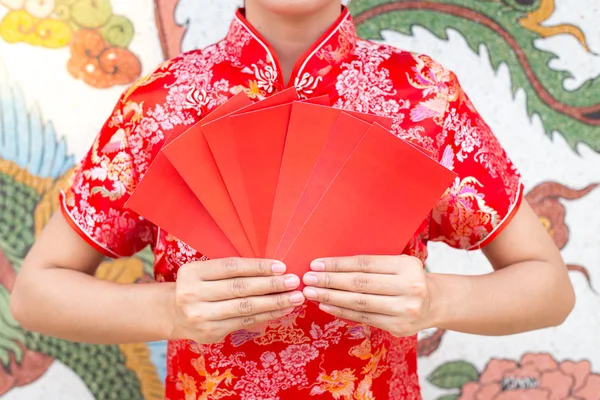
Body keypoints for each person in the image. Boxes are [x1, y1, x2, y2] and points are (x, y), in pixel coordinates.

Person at [10, 1, 575, 398]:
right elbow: (36, 292)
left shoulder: (422, 97)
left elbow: (548, 287)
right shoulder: (162, 103)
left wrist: (436, 301)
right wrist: (167, 310)